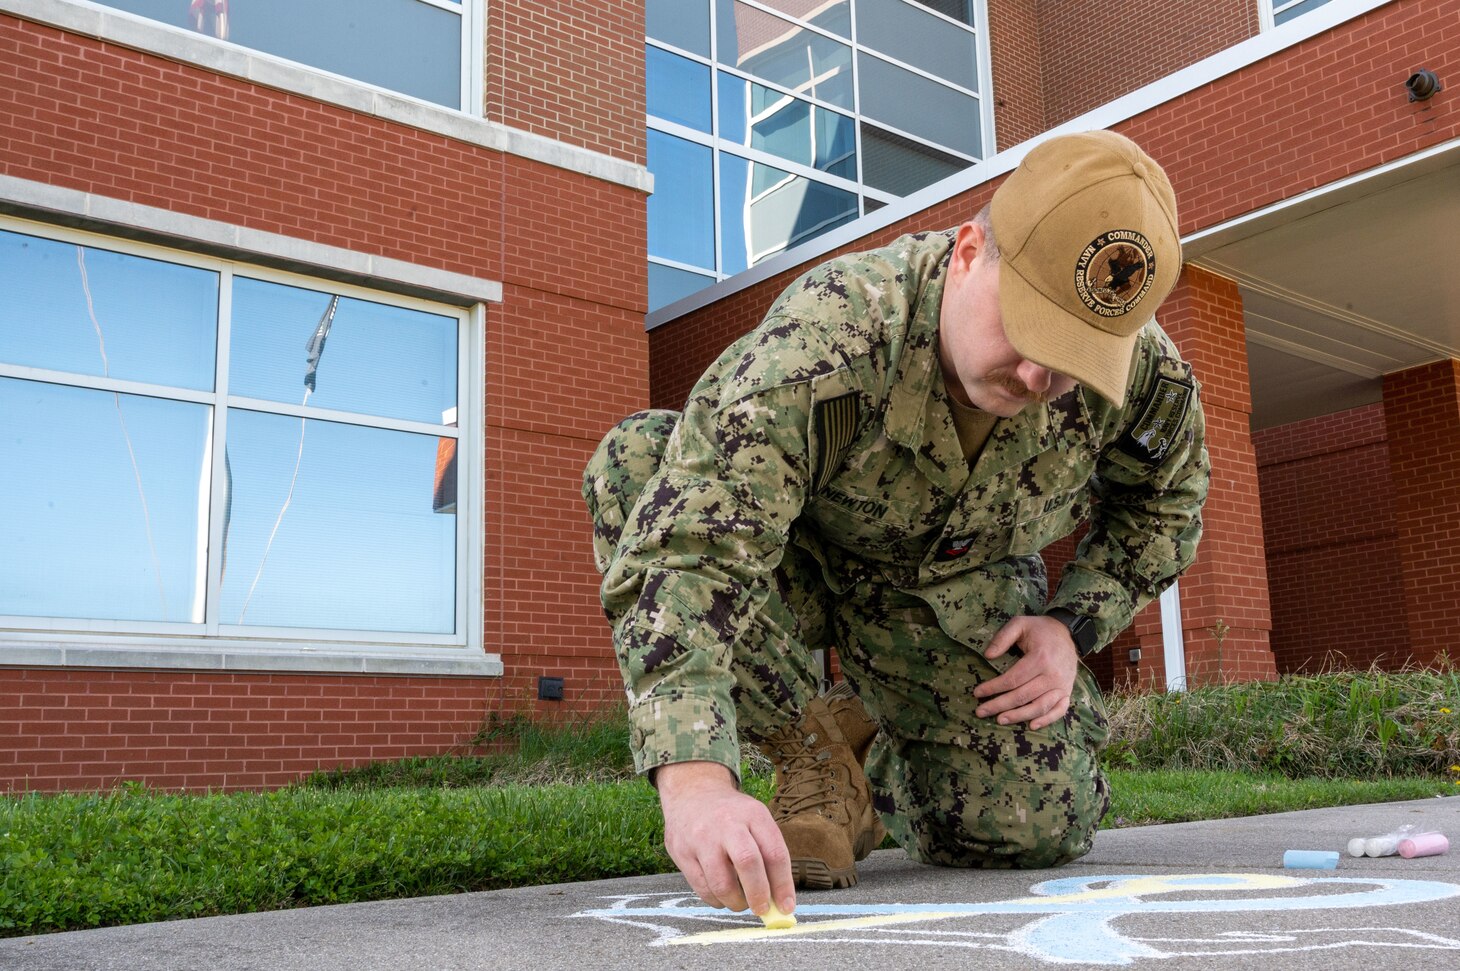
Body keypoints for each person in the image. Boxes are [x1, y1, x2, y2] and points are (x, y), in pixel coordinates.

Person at [582, 130, 1209, 922]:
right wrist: (697, 778)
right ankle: (808, 746)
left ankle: (870, 748)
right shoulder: (831, 335)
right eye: (1029, 329)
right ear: (971, 251)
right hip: (796, 569)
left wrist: (1070, 626)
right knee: (639, 467)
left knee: (1032, 827)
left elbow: (1167, 501)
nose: (1036, 377)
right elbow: (693, 546)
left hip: (953, 601)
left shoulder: (1144, 374)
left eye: (1073, 358)